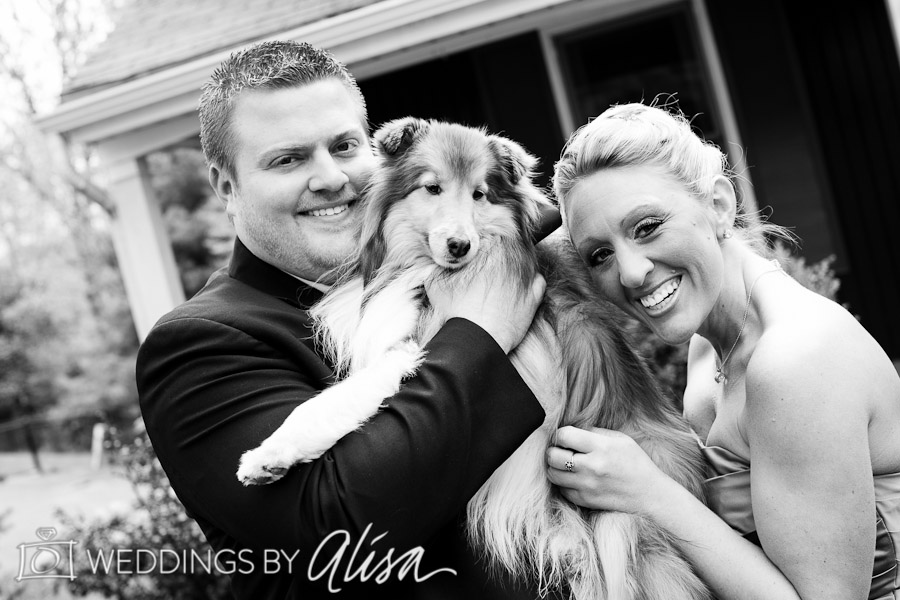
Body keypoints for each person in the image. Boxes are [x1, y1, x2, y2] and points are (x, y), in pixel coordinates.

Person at [136, 40, 547, 599]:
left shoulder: (422, 261)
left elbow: (530, 221)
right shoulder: (197, 344)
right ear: (227, 187)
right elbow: (336, 527)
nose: (331, 178)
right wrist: (480, 335)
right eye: (288, 159)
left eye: (345, 146)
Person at [546, 102, 900, 600]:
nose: (630, 272)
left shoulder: (795, 361)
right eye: (599, 254)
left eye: (646, 227)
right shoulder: (707, 350)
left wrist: (650, 492)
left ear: (718, 204)